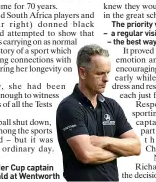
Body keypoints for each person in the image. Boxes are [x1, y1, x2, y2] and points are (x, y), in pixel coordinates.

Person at [56, 44, 140, 181]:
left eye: (108, 72)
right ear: (83, 73)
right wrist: (120, 150)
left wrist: (103, 141)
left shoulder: (111, 105)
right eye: (100, 73)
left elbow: (136, 147)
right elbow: (87, 155)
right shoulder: (69, 107)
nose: (106, 79)